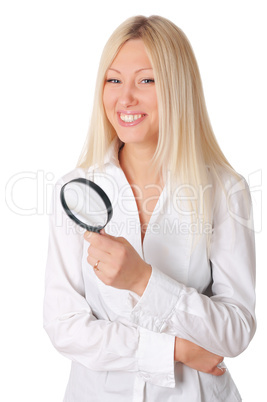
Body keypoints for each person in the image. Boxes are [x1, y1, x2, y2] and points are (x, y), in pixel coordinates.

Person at [43, 15, 256, 402]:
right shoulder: (75, 192)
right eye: (113, 80)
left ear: (177, 88)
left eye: (146, 80)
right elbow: (65, 327)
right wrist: (176, 350)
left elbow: (236, 331)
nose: (125, 98)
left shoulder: (225, 190)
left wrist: (143, 280)